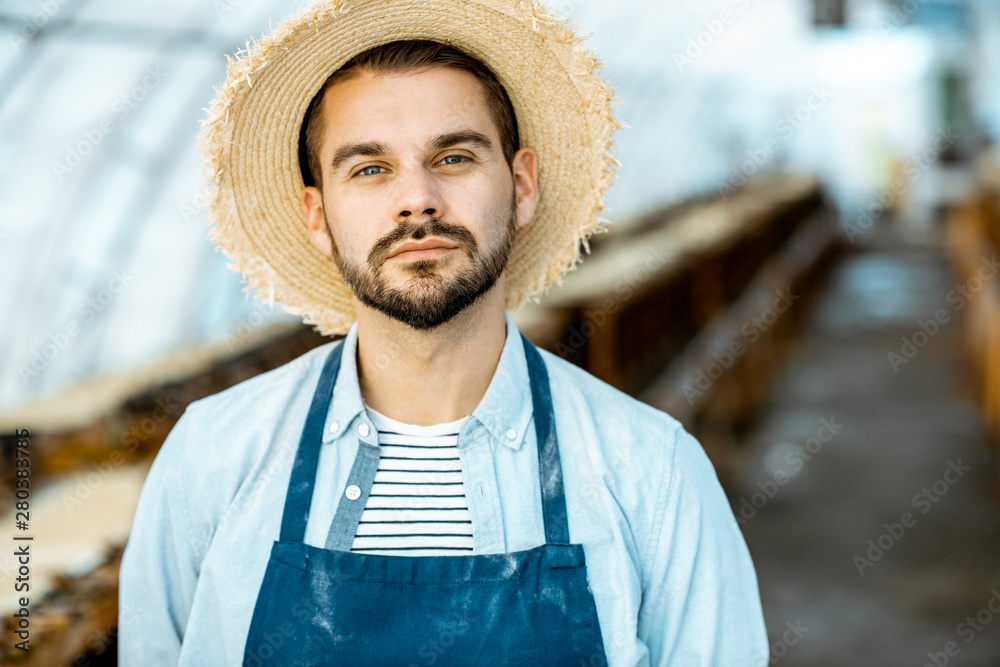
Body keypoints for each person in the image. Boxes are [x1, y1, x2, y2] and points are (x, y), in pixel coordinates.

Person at [118, 0, 769, 664]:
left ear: (521, 186)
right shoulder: (214, 457)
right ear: (317, 216)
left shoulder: (651, 471)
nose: (417, 198)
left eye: (454, 157)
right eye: (370, 168)